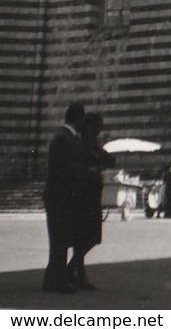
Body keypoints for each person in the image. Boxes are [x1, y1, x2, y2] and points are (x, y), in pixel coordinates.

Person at [43, 103, 88, 293]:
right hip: (60, 196)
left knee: (60, 239)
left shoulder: (67, 137)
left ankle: (52, 279)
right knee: (59, 240)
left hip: (63, 195)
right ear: (78, 118)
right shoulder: (63, 138)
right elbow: (63, 169)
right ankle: (56, 281)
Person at [67, 111, 110, 291]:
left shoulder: (93, 143)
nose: (99, 130)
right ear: (89, 126)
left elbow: (108, 158)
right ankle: (73, 272)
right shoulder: (80, 143)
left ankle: (74, 272)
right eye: (97, 126)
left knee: (89, 237)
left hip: (93, 194)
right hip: (83, 196)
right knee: (86, 237)